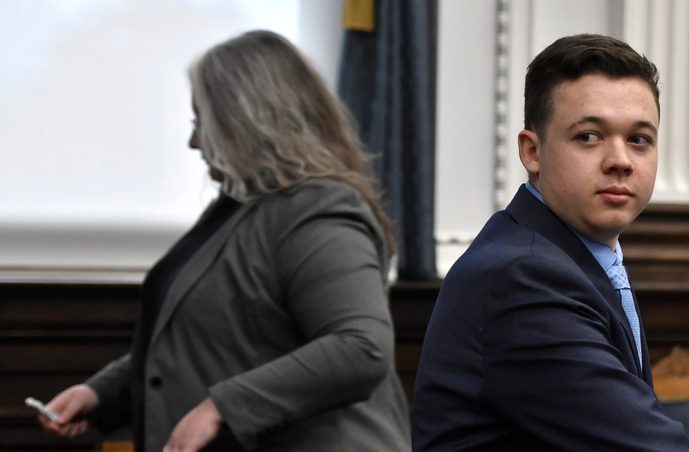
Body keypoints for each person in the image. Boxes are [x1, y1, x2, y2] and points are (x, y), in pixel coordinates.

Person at [38, 30, 411, 452]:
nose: (194, 142)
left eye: (201, 122)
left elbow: (360, 349)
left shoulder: (317, 209)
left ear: (245, 121)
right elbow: (206, 341)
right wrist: (102, 394)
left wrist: (220, 407)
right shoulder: (238, 207)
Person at [411, 34, 689, 451]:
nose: (620, 159)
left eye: (639, 139)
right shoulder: (524, 276)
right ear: (532, 152)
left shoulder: (572, 254)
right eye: (588, 136)